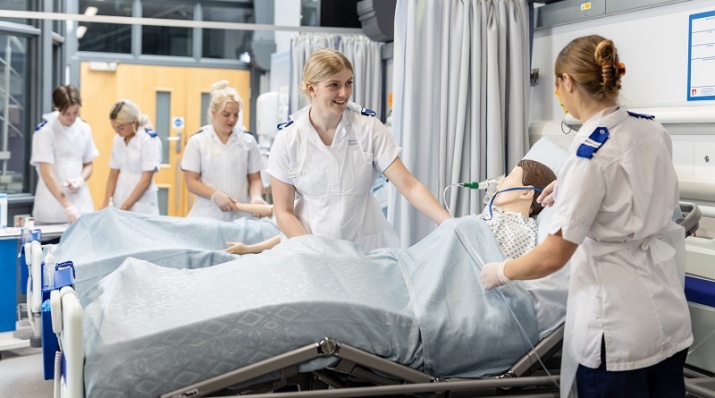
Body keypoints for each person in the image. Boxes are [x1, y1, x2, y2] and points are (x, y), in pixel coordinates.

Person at [481, 35, 692, 398]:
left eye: (558, 87)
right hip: (667, 313)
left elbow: (553, 256)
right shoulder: (652, 130)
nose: (560, 96)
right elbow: (631, 184)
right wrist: (566, 184)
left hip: (617, 329)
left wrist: (500, 272)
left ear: (567, 82)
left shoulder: (586, 155)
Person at [266, 48, 451, 252]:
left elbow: (409, 186)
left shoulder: (368, 128)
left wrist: (448, 223)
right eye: (334, 85)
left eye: (348, 83)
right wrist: (314, 251)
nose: (344, 93)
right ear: (312, 89)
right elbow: (283, 211)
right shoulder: (289, 139)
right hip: (309, 245)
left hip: (365, 244)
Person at [181, 80, 268, 221]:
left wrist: (256, 197)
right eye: (226, 114)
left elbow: (254, 178)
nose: (231, 120)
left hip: (241, 216)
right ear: (213, 112)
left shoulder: (247, 141)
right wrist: (215, 195)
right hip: (208, 215)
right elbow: (191, 182)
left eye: (236, 115)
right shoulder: (198, 141)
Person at [30, 84, 99, 225]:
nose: (72, 117)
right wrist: (67, 206)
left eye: (76, 112)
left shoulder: (84, 128)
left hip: (81, 204)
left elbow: (88, 164)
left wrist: (81, 179)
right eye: (67, 113)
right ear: (56, 107)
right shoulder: (45, 132)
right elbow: (46, 173)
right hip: (51, 208)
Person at [101, 100, 162, 214]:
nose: (117, 131)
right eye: (114, 127)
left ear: (133, 122)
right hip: (120, 199)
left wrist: (125, 207)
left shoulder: (148, 140)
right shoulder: (118, 140)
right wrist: (106, 203)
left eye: (121, 128)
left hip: (141, 204)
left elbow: (146, 180)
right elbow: (114, 173)